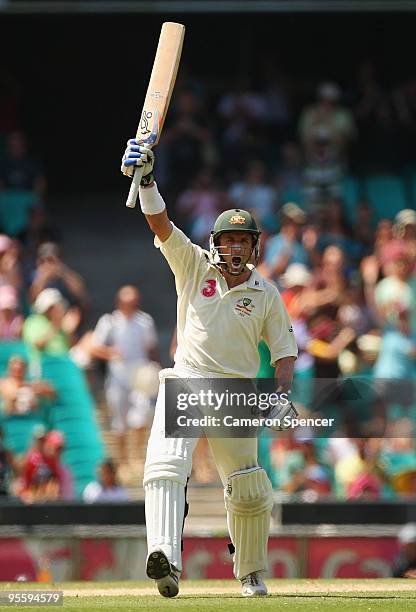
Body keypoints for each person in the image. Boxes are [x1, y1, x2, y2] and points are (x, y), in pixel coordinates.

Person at [121, 139, 298, 597]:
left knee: (250, 489)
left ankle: (251, 572)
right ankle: (164, 559)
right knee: (165, 466)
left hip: (236, 393)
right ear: (215, 243)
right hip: (189, 378)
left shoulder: (266, 293)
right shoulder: (194, 267)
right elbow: (161, 225)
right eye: (228, 239)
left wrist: (280, 395)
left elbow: (284, 352)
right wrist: (147, 181)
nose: (234, 247)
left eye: (243, 239)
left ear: (255, 245)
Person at [91, 285, 159, 473]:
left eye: (134, 302)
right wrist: (111, 352)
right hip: (117, 378)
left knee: (141, 417)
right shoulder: (109, 322)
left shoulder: (145, 321)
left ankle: (136, 457)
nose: (131, 305)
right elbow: (94, 347)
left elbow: (151, 348)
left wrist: (154, 368)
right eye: (127, 302)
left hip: (140, 377)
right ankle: (122, 462)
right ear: (119, 302)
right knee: (119, 421)